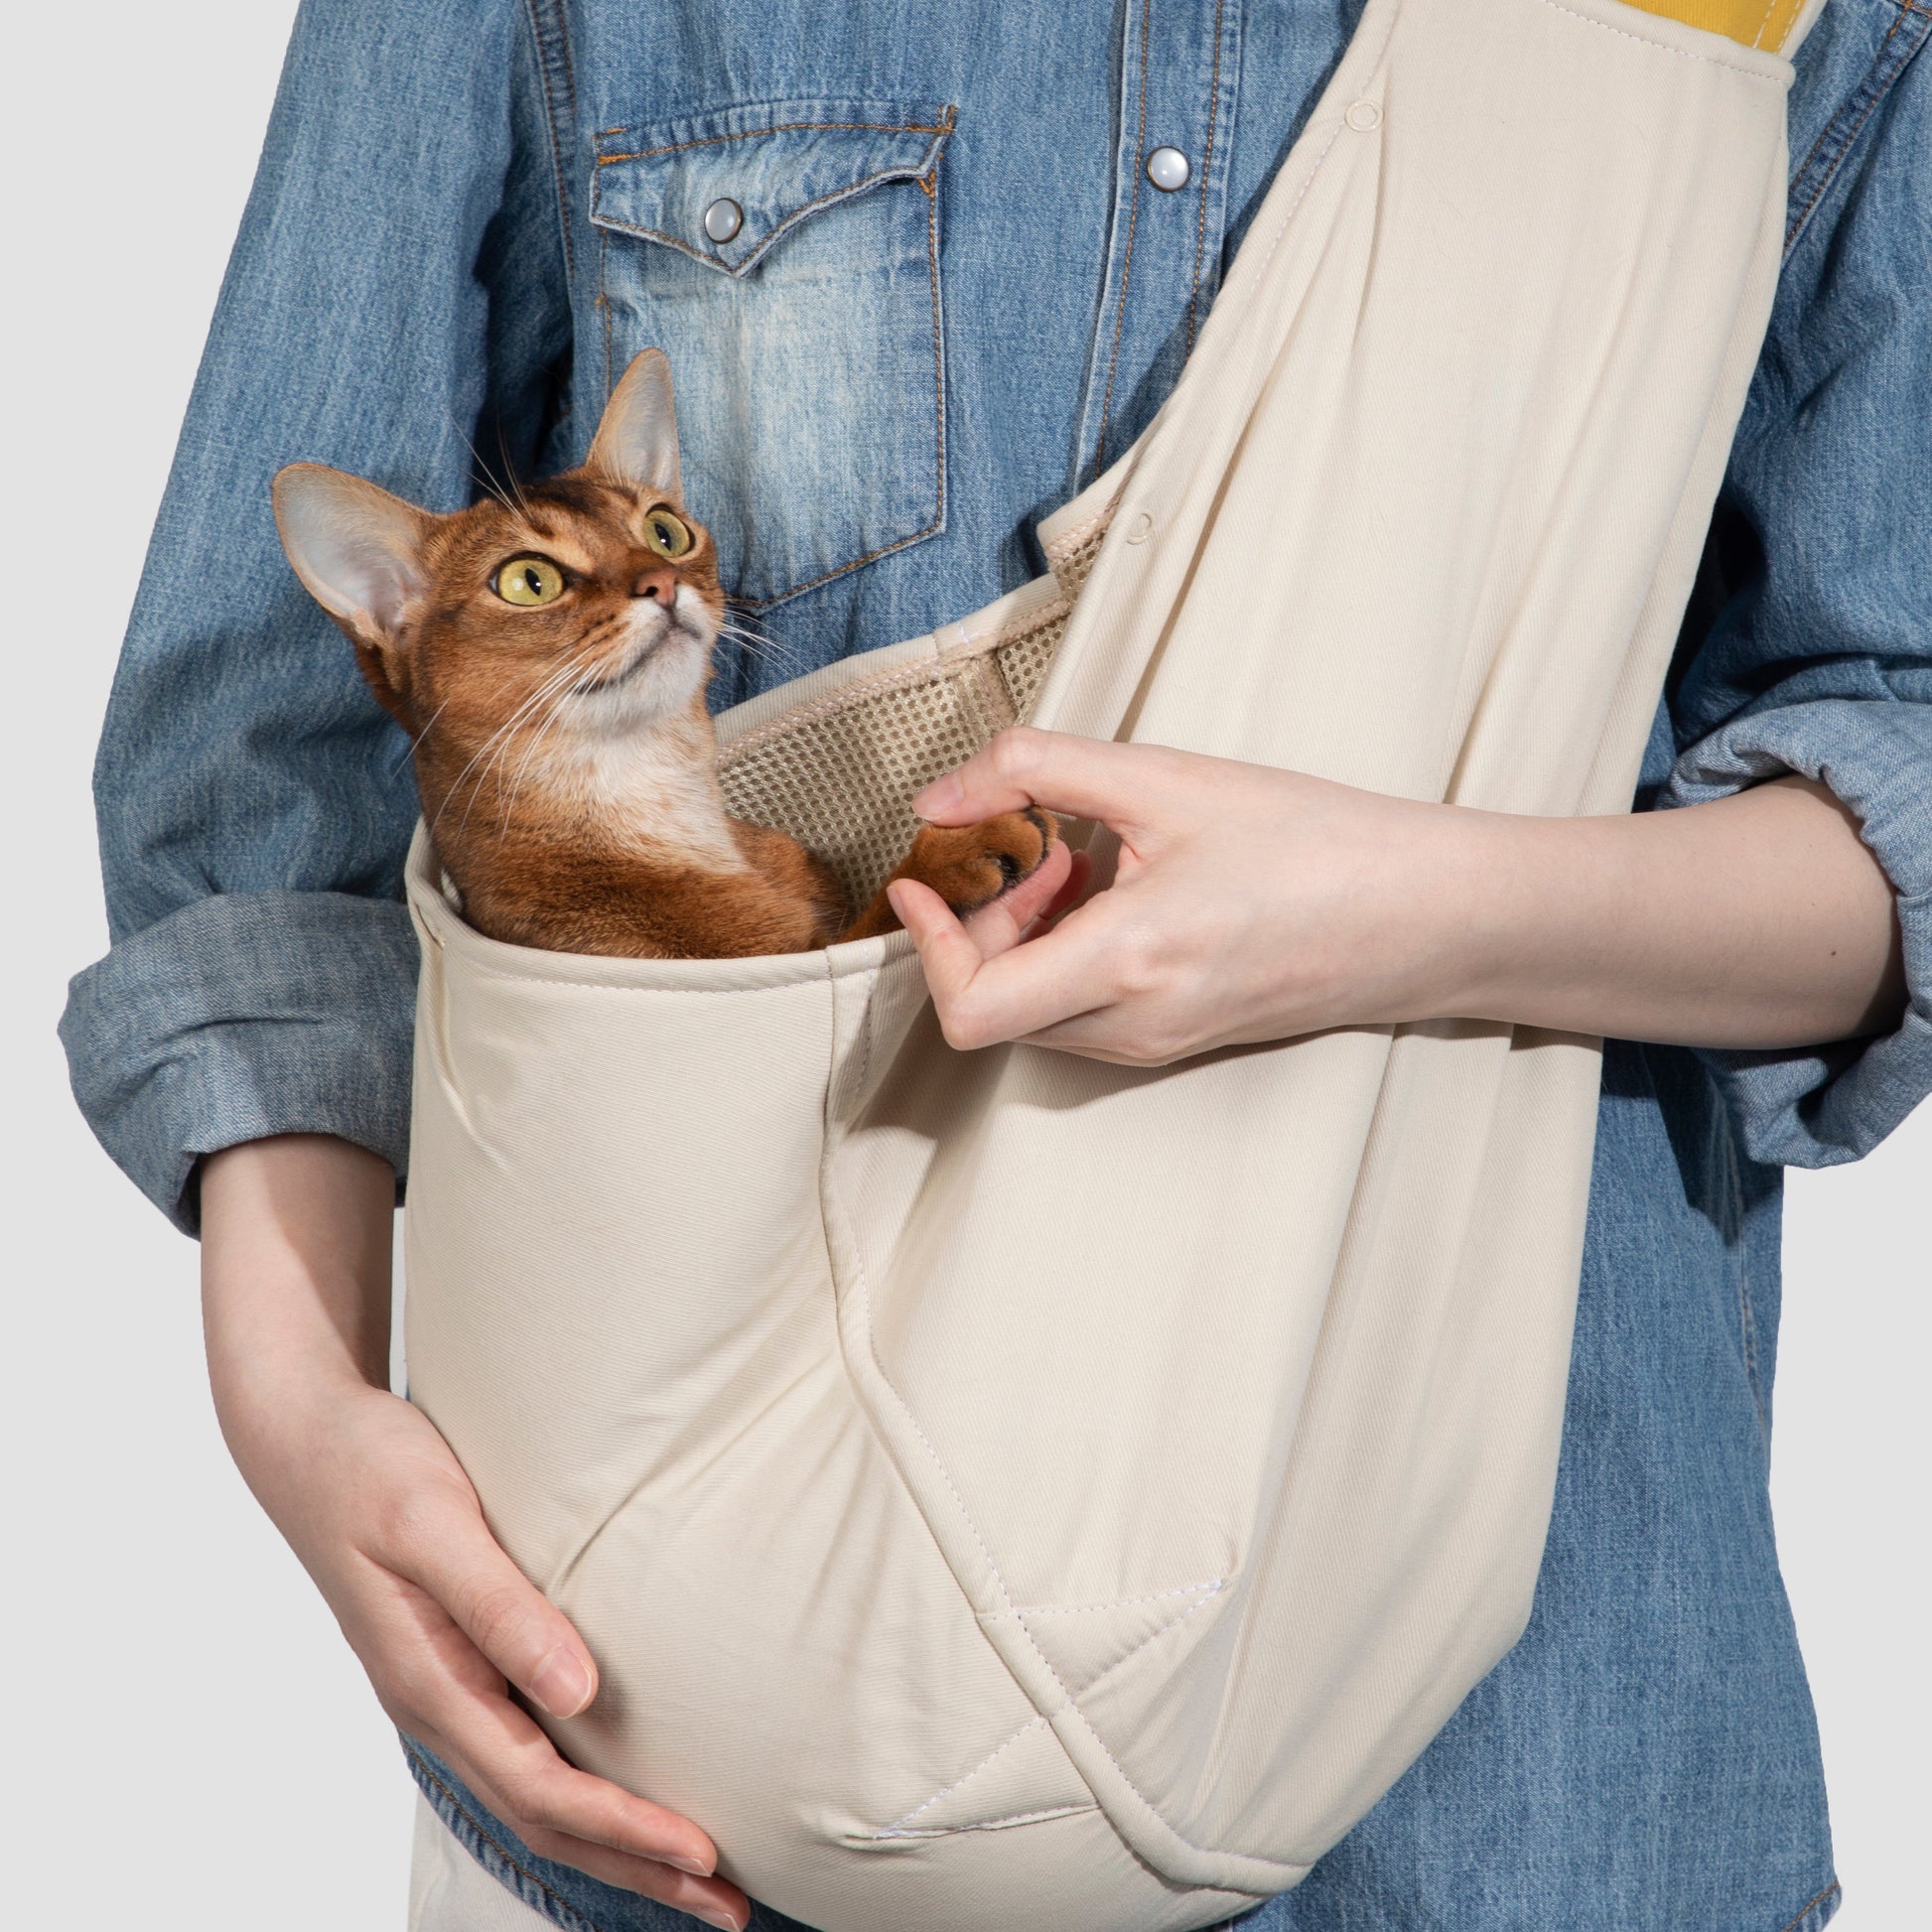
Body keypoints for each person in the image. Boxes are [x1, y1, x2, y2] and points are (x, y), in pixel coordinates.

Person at [61, 0, 1931, 1927]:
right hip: (704, 1757)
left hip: (1529, 1766)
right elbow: (256, 749)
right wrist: (291, 1394)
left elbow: (1902, 776)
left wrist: (1406, 906)